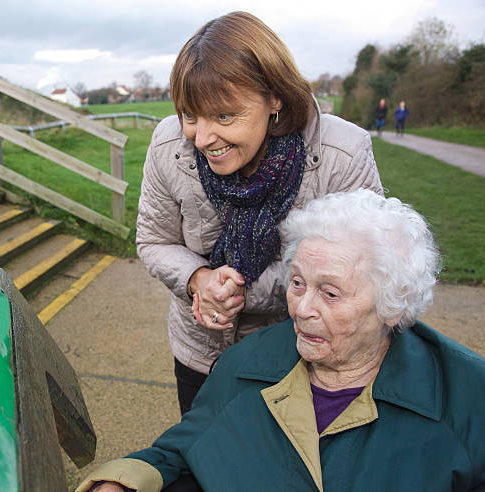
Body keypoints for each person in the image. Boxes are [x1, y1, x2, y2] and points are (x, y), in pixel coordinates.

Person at [78, 189, 485, 492]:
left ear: (394, 305)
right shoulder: (244, 365)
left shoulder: (467, 398)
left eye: (330, 293)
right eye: (296, 283)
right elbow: (181, 452)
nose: (302, 308)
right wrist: (121, 482)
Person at [136, 11, 383, 415]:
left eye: (224, 116)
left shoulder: (343, 155)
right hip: (200, 354)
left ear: (275, 98)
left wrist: (238, 291)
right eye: (190, 115)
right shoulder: (168, 145)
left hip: (301, 358)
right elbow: (154, 239)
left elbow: (359, 272)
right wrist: (199, 280)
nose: (202, 137)